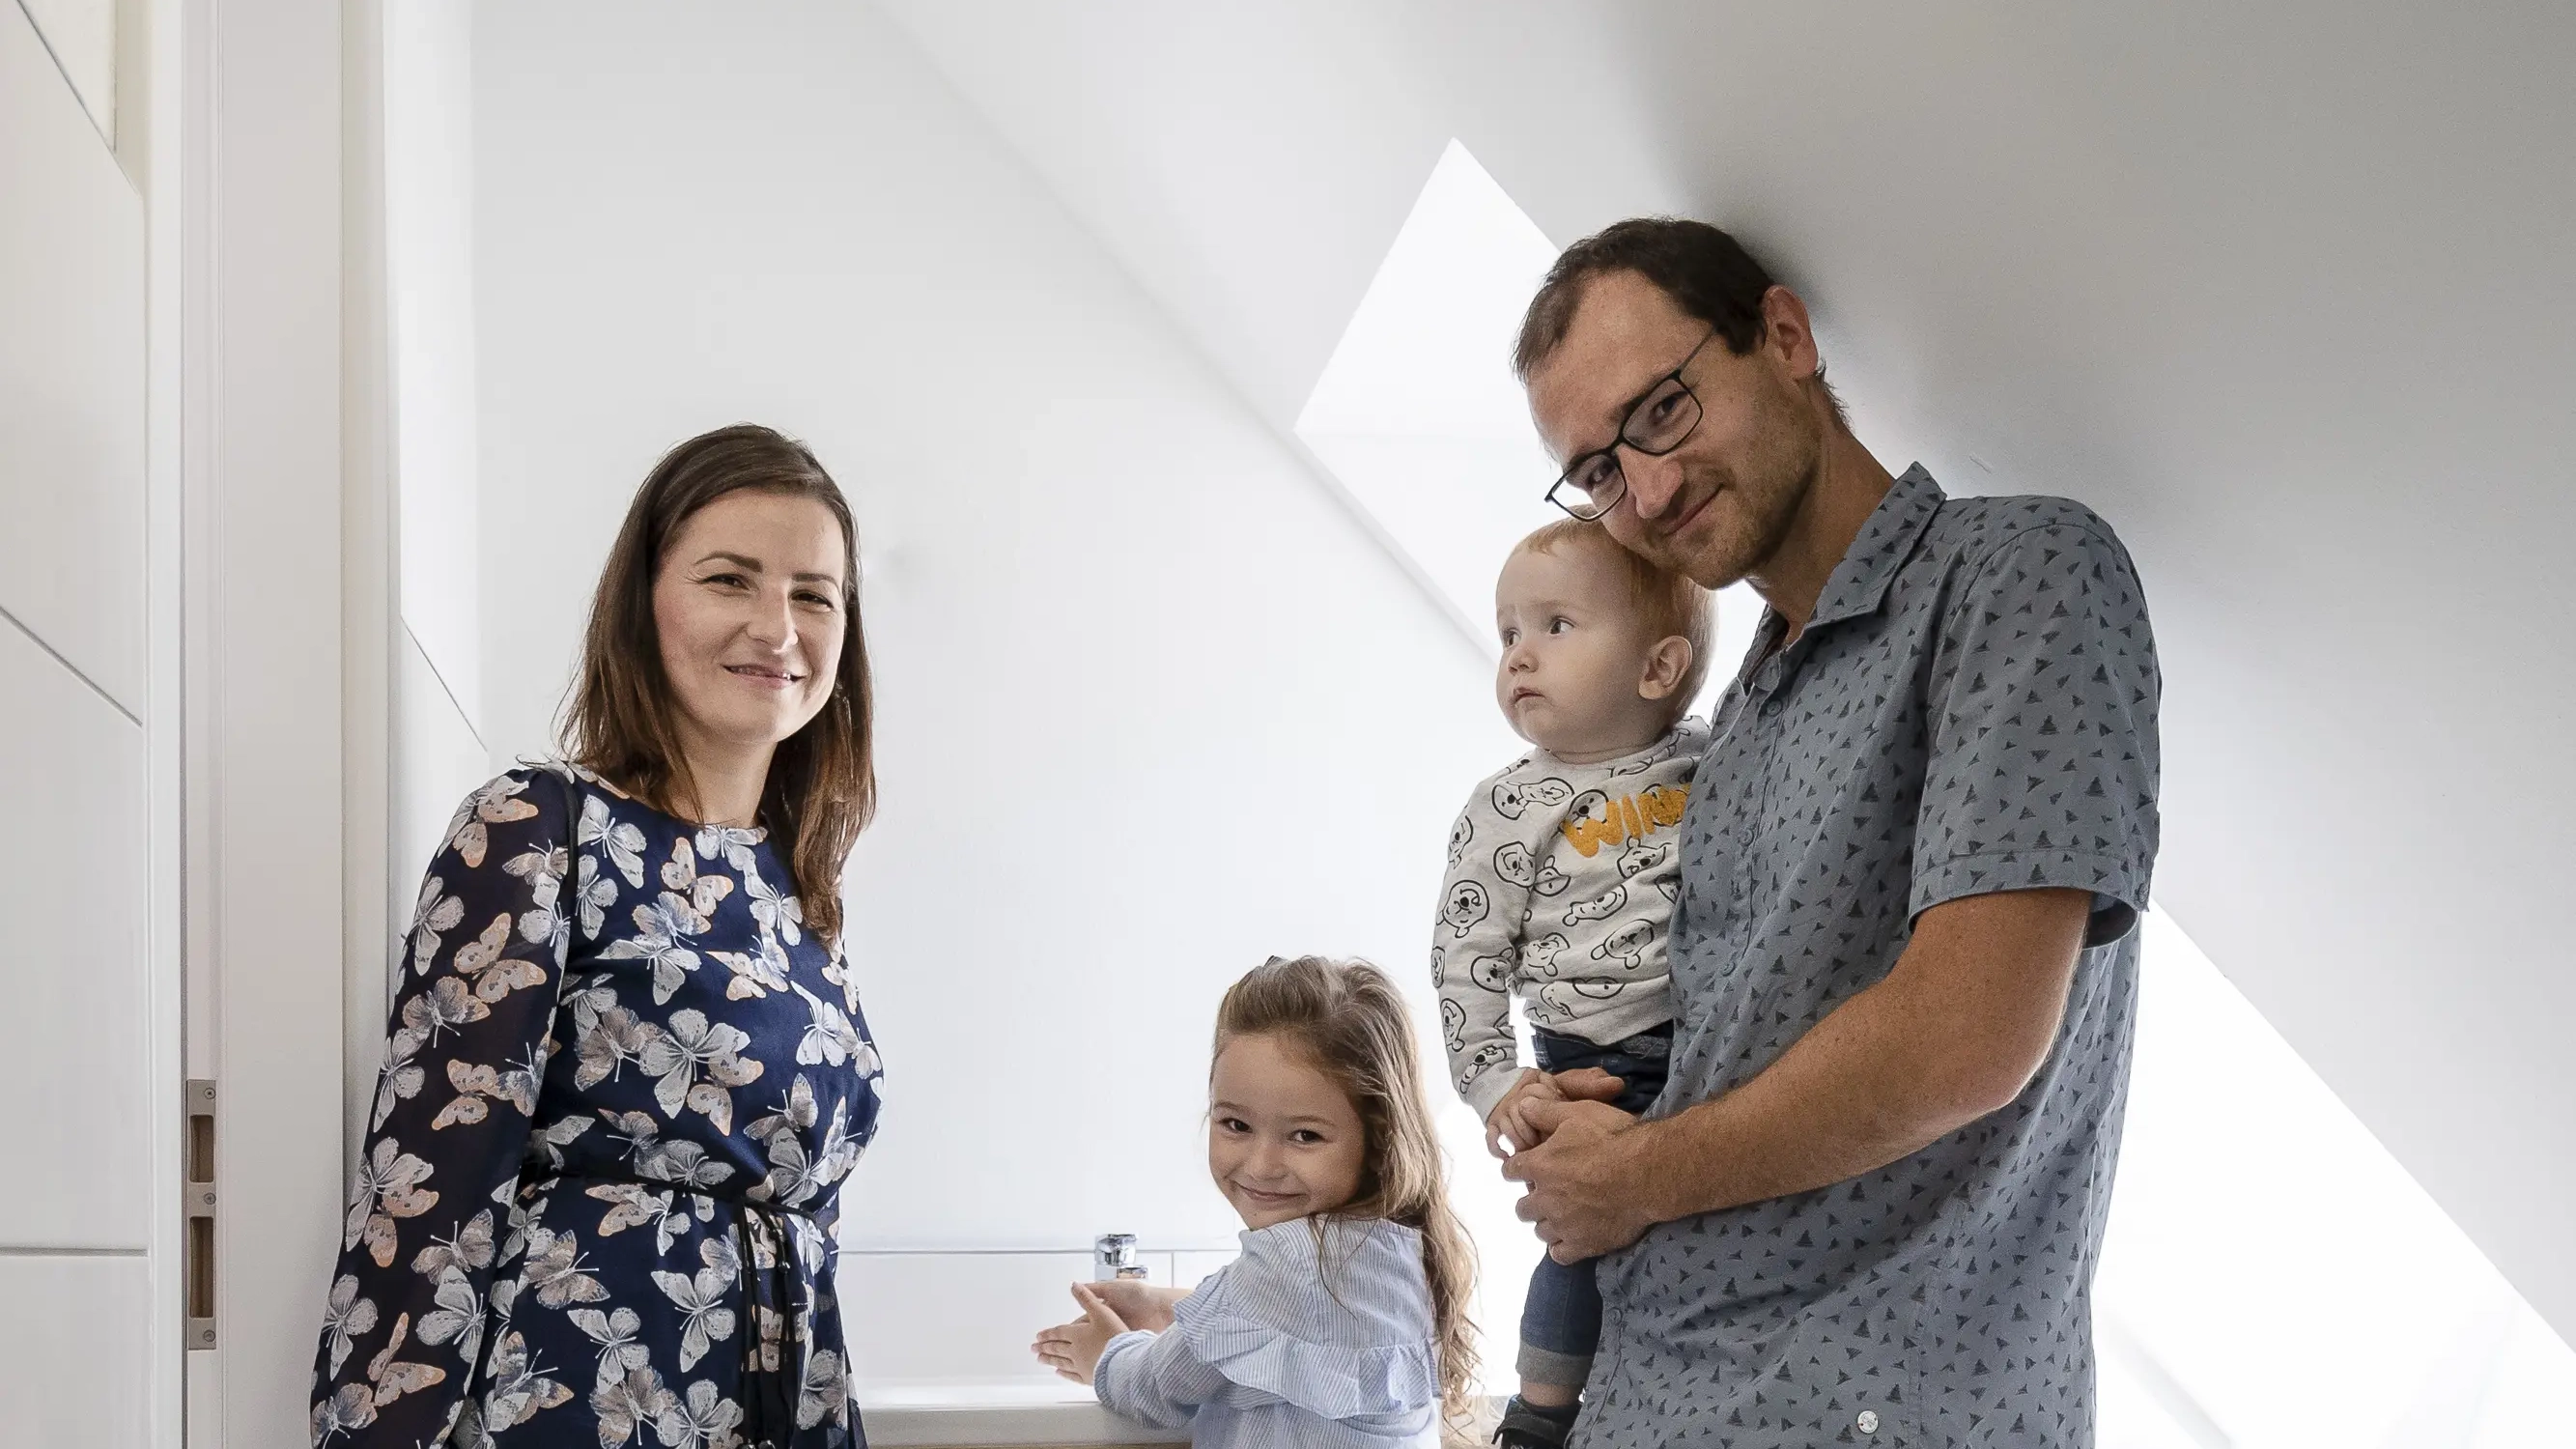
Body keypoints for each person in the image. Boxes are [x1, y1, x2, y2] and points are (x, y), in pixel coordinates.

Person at [1498, 218, 2162, 1448]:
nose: (1641, 492)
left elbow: (1966, 1040)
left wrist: (1631, 1180)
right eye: (1595, 471)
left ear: (1785, 339)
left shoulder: (2018, 574)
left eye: (1661, 412)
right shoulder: (1736, 711)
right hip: (1647, 1394)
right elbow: (1745, 1075)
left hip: (1862, 1413)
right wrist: (1605, 1117)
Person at [309, 424, 887, 1448]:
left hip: (784, 1399)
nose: (778, 627)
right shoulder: (541, 825)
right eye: (729, 580)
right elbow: (429, 1175)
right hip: (581, 1393)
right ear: (644, 605)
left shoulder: (800, 889)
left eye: (813, 594)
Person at [1427, 520, 1712, 1448]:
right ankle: (1541, 1415)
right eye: (1508, 632)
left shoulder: (1709, 758)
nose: (1517, 656)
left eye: (1554, 625)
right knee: (1578, 1242)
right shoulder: (1507, 806)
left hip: (1718, 1048)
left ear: (1657, 668)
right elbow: (1465, 957)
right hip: (1595, 1061)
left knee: (1704, 1233)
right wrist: (1495, 1081)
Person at [1031, 955, 1478, 1448]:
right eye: (1236, 1125)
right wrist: (1162, 1305)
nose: (1262, 1164)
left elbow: (1152, 1388)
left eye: (1305, 1135)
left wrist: (1107, 1352)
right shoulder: (1390, 1248)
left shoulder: (1292, 1262)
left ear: (1376, 1141)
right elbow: (1296, 1322)